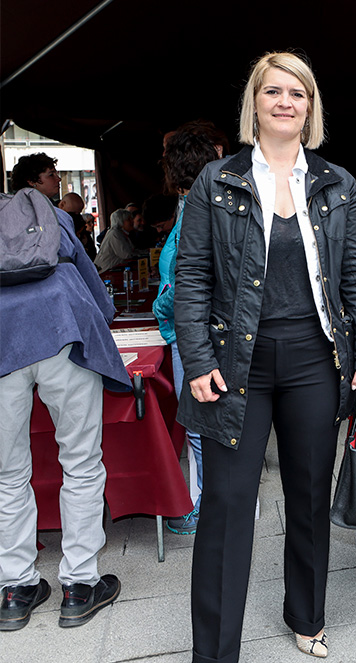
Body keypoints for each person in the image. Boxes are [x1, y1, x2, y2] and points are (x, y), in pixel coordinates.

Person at [174, 51, 356, 661]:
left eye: (299, 93)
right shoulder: (219, 181)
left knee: (310, 493)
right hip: (232, 362)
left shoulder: (337, 183)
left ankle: (307, 616)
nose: (286, 102)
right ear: (255, 103)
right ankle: (214, 651)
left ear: (310, 107)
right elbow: (191, 276)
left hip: (316, 359)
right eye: (274, 92)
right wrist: (195, 360)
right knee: (228, 503)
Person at [0, 190, 131, 631]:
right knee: (80, 461)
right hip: (63, 331)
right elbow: (92, 283)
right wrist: (107, 316)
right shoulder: (43, 210)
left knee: (6, 474)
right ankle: (79, 585)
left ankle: (16, 589)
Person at [154, 124, 221, 536]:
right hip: (206, 328)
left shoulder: (194, 210)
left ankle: (214, 511)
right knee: (210, 426)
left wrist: (158, 305)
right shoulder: (211, 204)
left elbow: (182, 284)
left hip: (192, 332)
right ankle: (222, 505)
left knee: (201, 428)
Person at [93, 208, 139, 273]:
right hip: (105, 271)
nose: (132, 221)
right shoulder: (115, 233)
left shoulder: (122, 234)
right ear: (121, 222)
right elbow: (126, 255)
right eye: (128, 219)